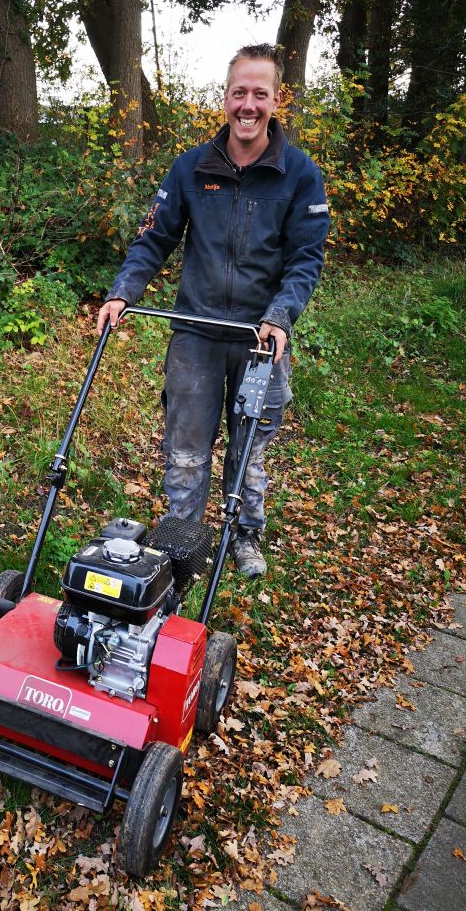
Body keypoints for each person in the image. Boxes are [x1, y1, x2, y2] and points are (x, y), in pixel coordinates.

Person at [96, 44, 329, 578]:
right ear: (225, 98)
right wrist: (122, 291)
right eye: (239, 92)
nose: (248, 105)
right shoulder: (190, 168)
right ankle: (183, 542)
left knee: (249, 451)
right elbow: (153, 238)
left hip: (260, 339)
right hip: (196, 335)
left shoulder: (300, 175)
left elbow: (305, 258)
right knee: (185, 450)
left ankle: (244, 536)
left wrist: (280, 315)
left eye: (260, 94)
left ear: (275, 101)